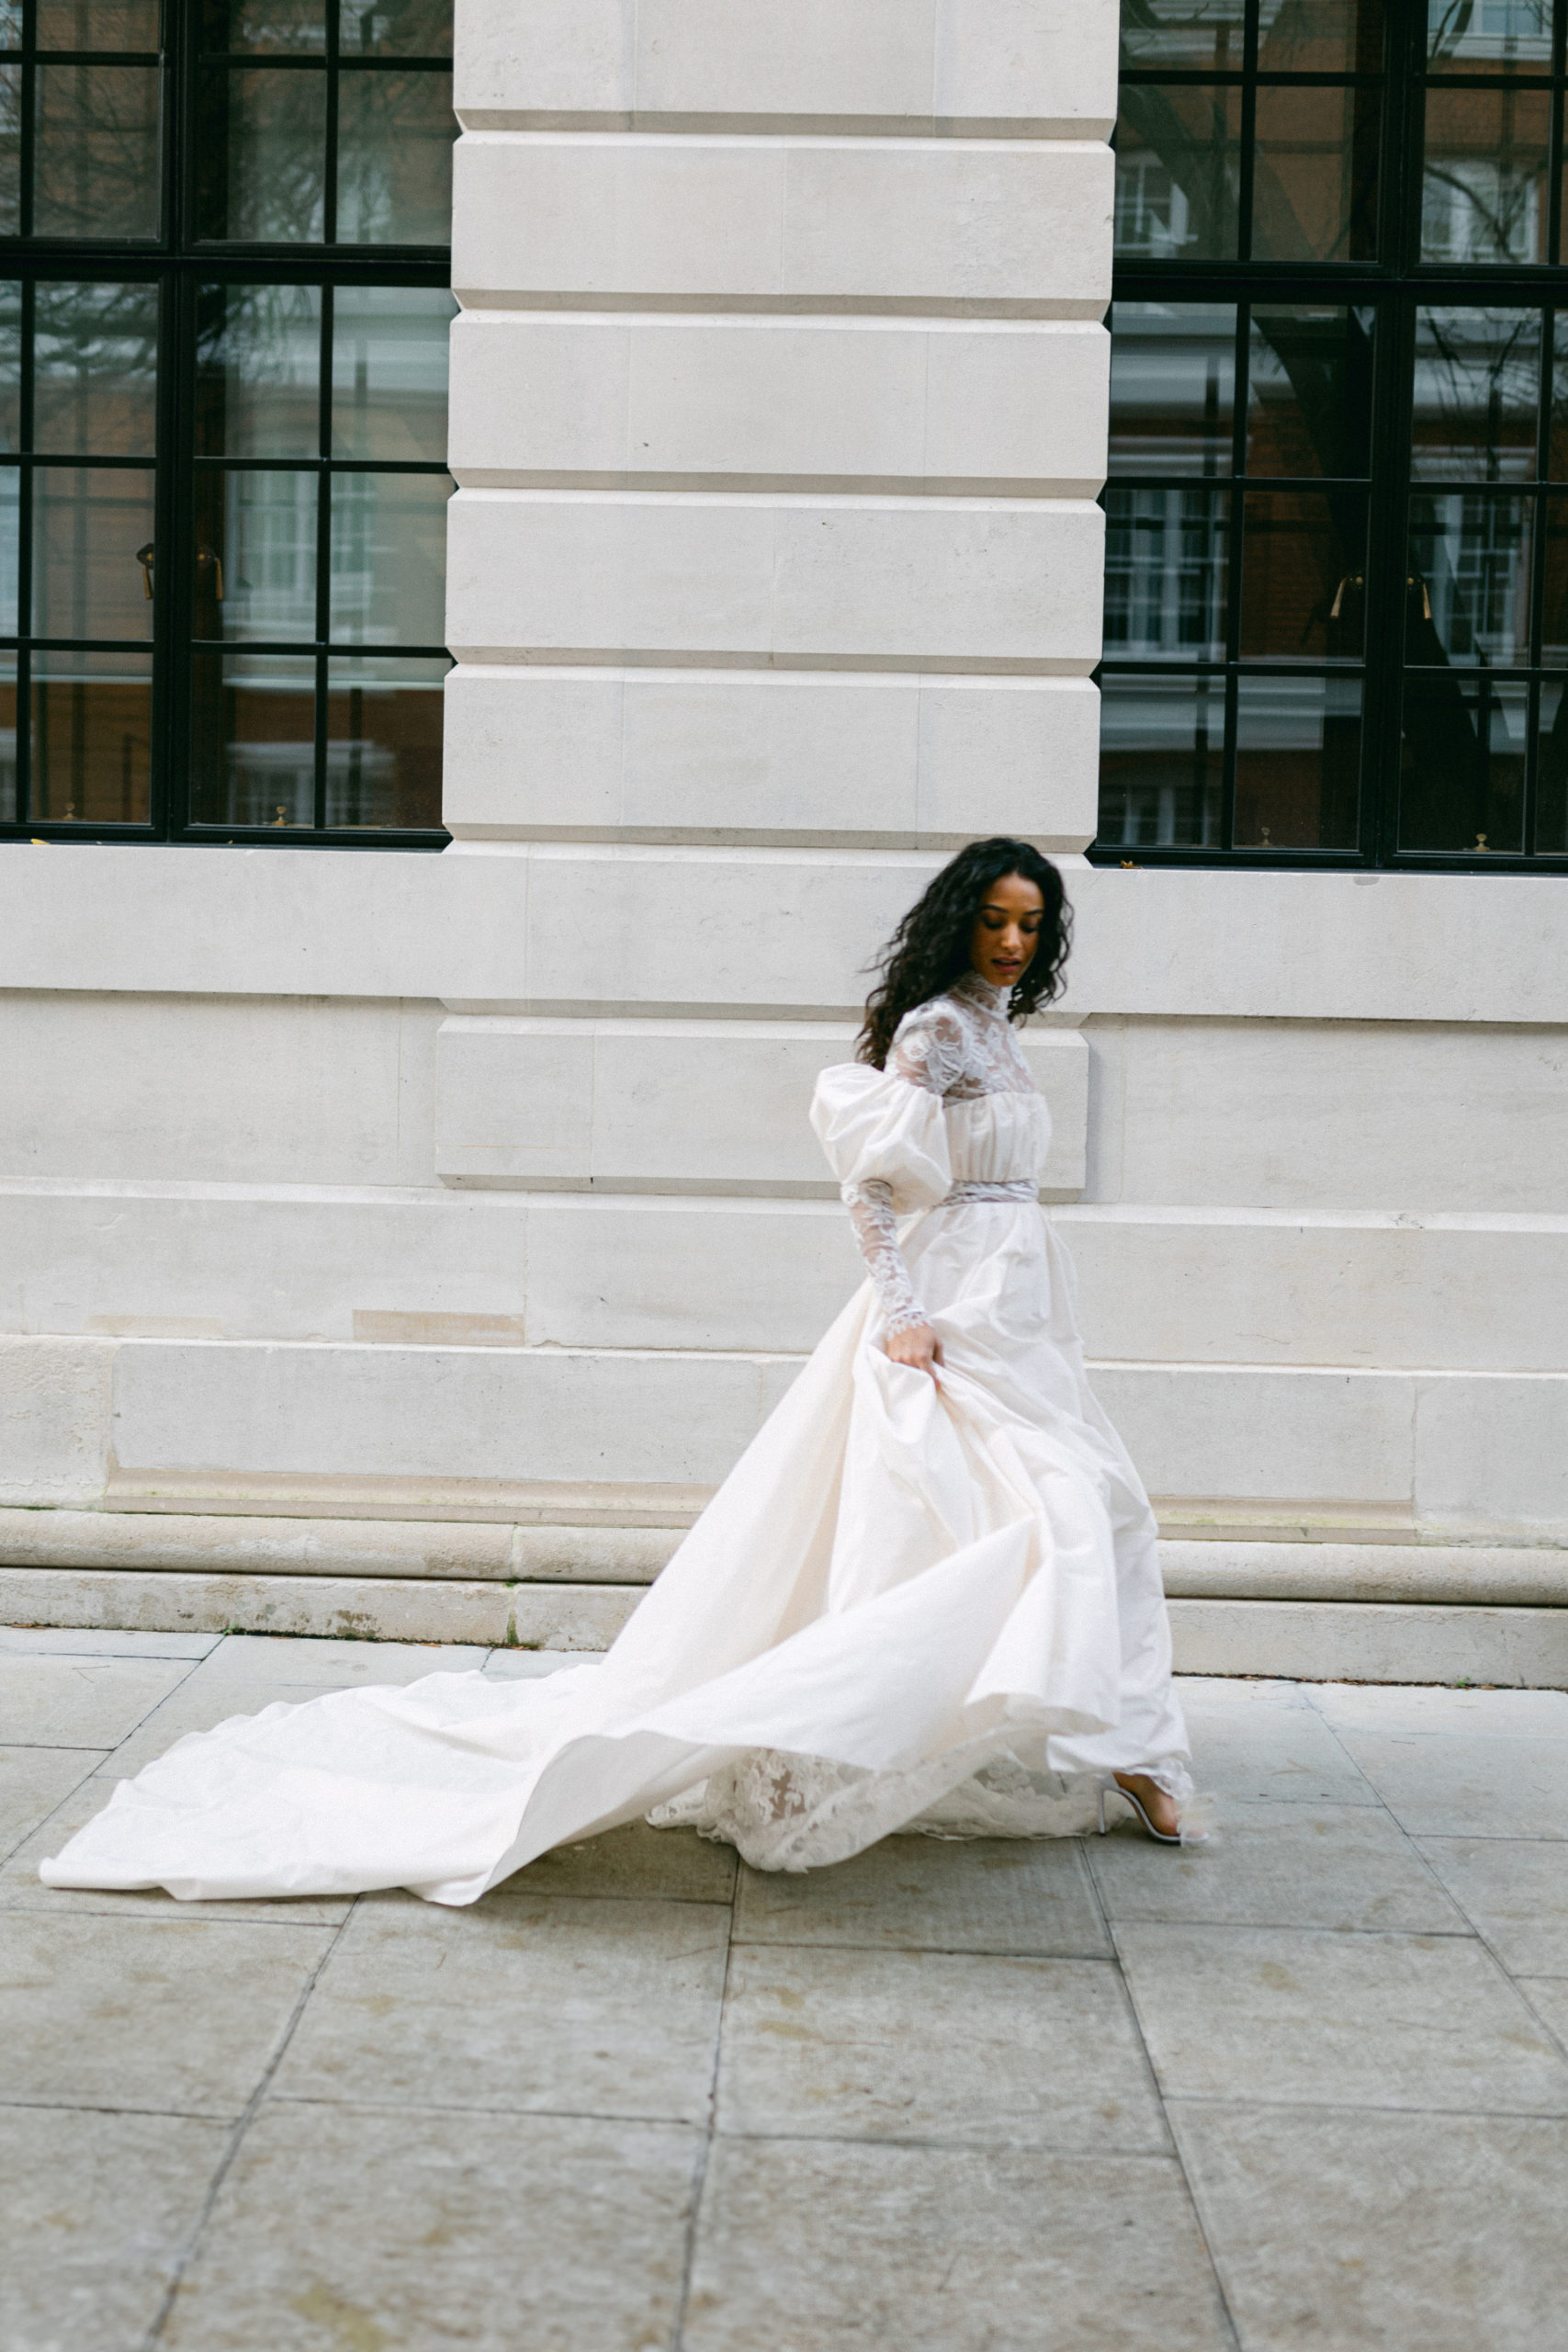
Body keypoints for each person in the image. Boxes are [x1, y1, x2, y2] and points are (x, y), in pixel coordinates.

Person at [41, 839, 1204, 1906]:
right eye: (995, 921)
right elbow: (867, 1185)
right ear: (960, 924)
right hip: (944, 1308)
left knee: (1090, 1506)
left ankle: (1108, 1741)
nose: (1012, 942)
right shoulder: (934, 1033)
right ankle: (853, 1755)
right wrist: (901, 1315)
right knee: (967, 1522)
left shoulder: (1007, 1033)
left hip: (1023, 1304)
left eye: (1030, 925)